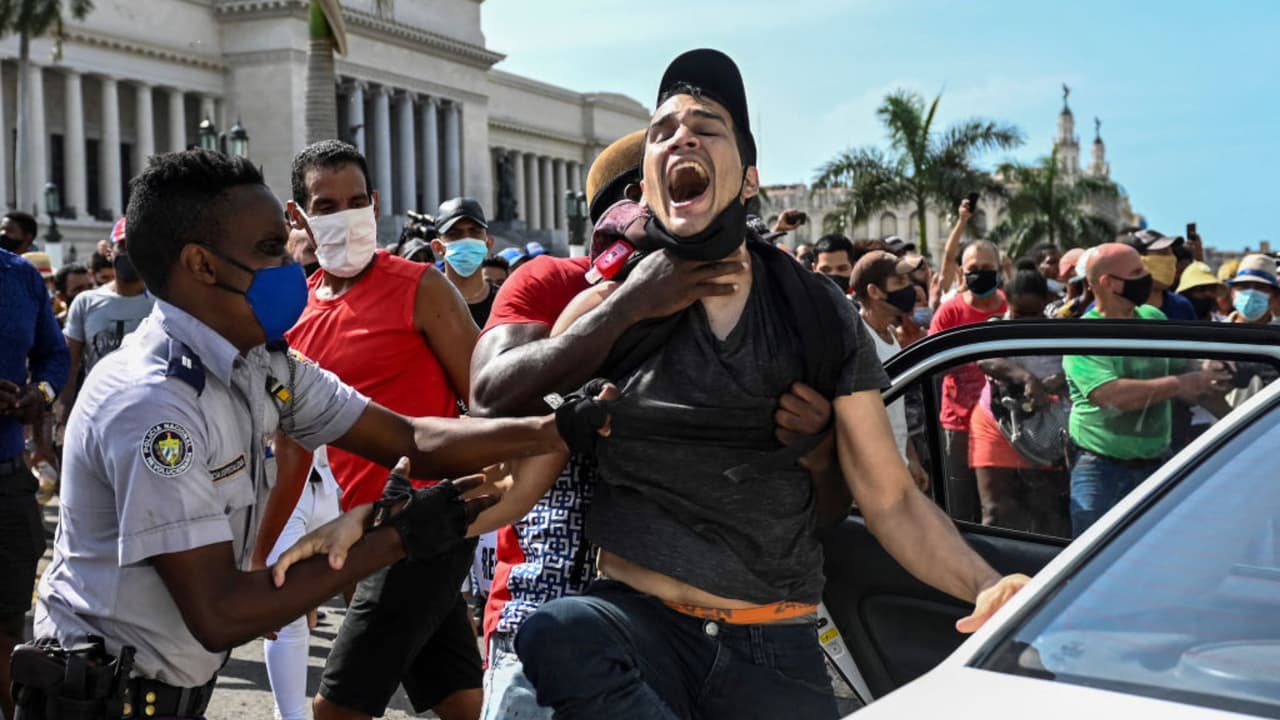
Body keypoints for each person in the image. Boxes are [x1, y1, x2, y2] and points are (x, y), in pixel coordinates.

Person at [513, 48, 1027, 719]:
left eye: (707, 127)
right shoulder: (605, 312)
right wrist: (408, 524)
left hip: (771, 644)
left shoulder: (817, 313)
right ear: (645, 184)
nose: (682, 139)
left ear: (750, 180)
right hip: (636, 630)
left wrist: (988, 586)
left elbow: (892, 498)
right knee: (557, 632)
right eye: (662, 132)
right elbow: (517, 473)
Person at [32, 149, 579, 720]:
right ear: (202, 265)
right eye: (271, 249)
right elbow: (220, 613)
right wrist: (396, 539)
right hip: (101, 698)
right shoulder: (152, 404)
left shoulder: (263, 363)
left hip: (159, 692)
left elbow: (409, 438)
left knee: (448, 689)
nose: (291, 266)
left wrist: (556, 427)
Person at [469, 128, 838, 719]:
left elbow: (804, 503)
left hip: (687, 624)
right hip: (546, 607)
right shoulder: (559, 286)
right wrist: (627, 305)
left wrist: (816, 446)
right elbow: (493, 402)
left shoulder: (755, 313)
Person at [275, 140, 484, 720]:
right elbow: (293, 447)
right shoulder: (295, 315)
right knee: (459, 698)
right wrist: (266, 552)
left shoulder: (422, 288)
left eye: (355, 202)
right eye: (325, 205)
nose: (345, 216)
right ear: (298, 217)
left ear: (375, 203)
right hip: (357, 532)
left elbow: (488, 398)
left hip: (427, 522)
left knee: (335, 709)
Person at [1062, 243, 1229, 536]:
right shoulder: (1084, 336)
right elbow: (1111, 396)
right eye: (1137, 272)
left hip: (1156, 464)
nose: (1147, 277)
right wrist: (1180, 384)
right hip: (1100, 469)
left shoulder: (1153, 318)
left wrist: (1207, 376)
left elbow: (1182, 369)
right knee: (1095, 553)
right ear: (1109, 283)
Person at [0, 239, 69, 719]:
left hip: (7, 482)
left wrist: (38, 394)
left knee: (8, 624)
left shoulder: (20, 276)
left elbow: (54, 355)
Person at [972, 260, 1069, 535]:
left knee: (1049, 510)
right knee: (996, 510)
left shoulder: (1062, 330)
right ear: (1008, 303)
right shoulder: (996, 326)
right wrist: (1026, 378)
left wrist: (1061, 379)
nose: (1026, 322)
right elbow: (986, 360)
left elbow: (1080, 366)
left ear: (1046, 302)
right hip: (997, 421)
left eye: (1034, 313)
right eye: (1019, 314)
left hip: (1049, 426)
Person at [929, 237, 1007, 523]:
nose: (980, 274)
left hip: (1004, 426)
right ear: (961, 272)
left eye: (987, 268)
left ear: (1000, 270)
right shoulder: (949, 312)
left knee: (998, 510)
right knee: (959, 511)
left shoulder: (1011, 309)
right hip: (959, 425)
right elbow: (932, 366)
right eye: (973, 269)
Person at [57, 218, 155, 420]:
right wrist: (63, 415)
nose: (129, 253)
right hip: (98, 412)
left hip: (152, 410)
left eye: (137, 245)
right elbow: (70, 366)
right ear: (110, 253)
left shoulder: (164, 302)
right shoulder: (85, 302)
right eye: (123, 246)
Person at [850, 251, 929, 490]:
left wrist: (911, 458)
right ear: (874, 291)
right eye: (900, 282)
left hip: (896, 465)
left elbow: (896, 409)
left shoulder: (892, 335)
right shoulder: (858, 340)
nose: (910, 289)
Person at [432, 197, 500, 327]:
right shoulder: (425, 302)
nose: (466, 239)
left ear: (488, 243)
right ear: (438, 247)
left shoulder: (504, 302)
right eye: (454, 234)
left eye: (475, 232)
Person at [1123, 229, 1197, 320]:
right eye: (1163, 253)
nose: (1172, 259)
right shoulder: (1120, 305)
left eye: (1172, 253)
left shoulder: (1181, 306)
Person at [1225, 253, 1280, 325]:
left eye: (1260, 287)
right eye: (1244, 286)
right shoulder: (1215, 329)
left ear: (1275, 295)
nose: (1251, 293)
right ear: (1232, 293)